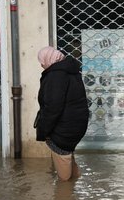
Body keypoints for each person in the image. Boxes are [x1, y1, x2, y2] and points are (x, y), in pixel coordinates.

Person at [33, 46, 90, 181]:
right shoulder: (72, 72)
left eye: (42, 61)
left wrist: (43, 132)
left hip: (63, 129)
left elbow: (52, 108)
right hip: (77, 126)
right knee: (68, 156)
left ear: (48, 59)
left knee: (64, 177)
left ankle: (65, 199)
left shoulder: (55, 75)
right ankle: (76, 190)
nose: (41, 64)